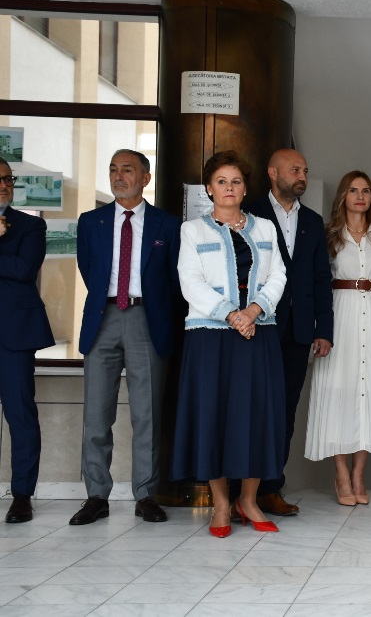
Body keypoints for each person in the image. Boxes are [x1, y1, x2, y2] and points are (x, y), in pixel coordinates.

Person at [171, 150, 288, 538]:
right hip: (211, 337)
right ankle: (221, 504)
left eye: (236, 181)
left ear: (245, 188)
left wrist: (253, 311)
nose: (229, 188)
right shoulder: (193, 231)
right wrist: (231, 314)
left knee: (257, 417)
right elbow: (190, 281)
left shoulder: (265, 229)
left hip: (258, 333)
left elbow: (278, 275)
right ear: (209, 188)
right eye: (221, 181)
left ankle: (248, 501)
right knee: (214, 417)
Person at [73, 149, 181, 526]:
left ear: (145, 178)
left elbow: (173, 280)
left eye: (128, 170)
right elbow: (89, 269)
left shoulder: (168, 225)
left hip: (145, 320)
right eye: (113, 170)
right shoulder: (92, 222)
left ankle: (145, 495)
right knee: (96, 414)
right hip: (102, 318)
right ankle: (96, 496)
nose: (119, 176)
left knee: (146, 414)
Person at [240, 149, 333, 516]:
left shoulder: (312, 220)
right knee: (250, 409)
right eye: (295, 170)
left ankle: (270, 489)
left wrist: (323, 329)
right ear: (273, 172)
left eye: (305, 171)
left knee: (284, 412)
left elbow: (321, 279)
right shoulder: (249, 214)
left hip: (298, 331)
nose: (302, 176)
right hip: (257, 327)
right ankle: (238, 491)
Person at [305, 170, 371, 506]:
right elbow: (318, 281)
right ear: (343, 196)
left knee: (370, 391)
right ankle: (341, 473)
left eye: (366, 191)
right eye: (353, 190)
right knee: (339, 390)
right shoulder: (328, 234)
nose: (360, 196)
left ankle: (359, 474)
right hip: (339, 312)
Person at [0, 160, 55, 523]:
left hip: (14, 335)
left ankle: (22, 495)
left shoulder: (31, 225)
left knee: (20, 415)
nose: (4, 185)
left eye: (8, 179)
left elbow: (23, 270)